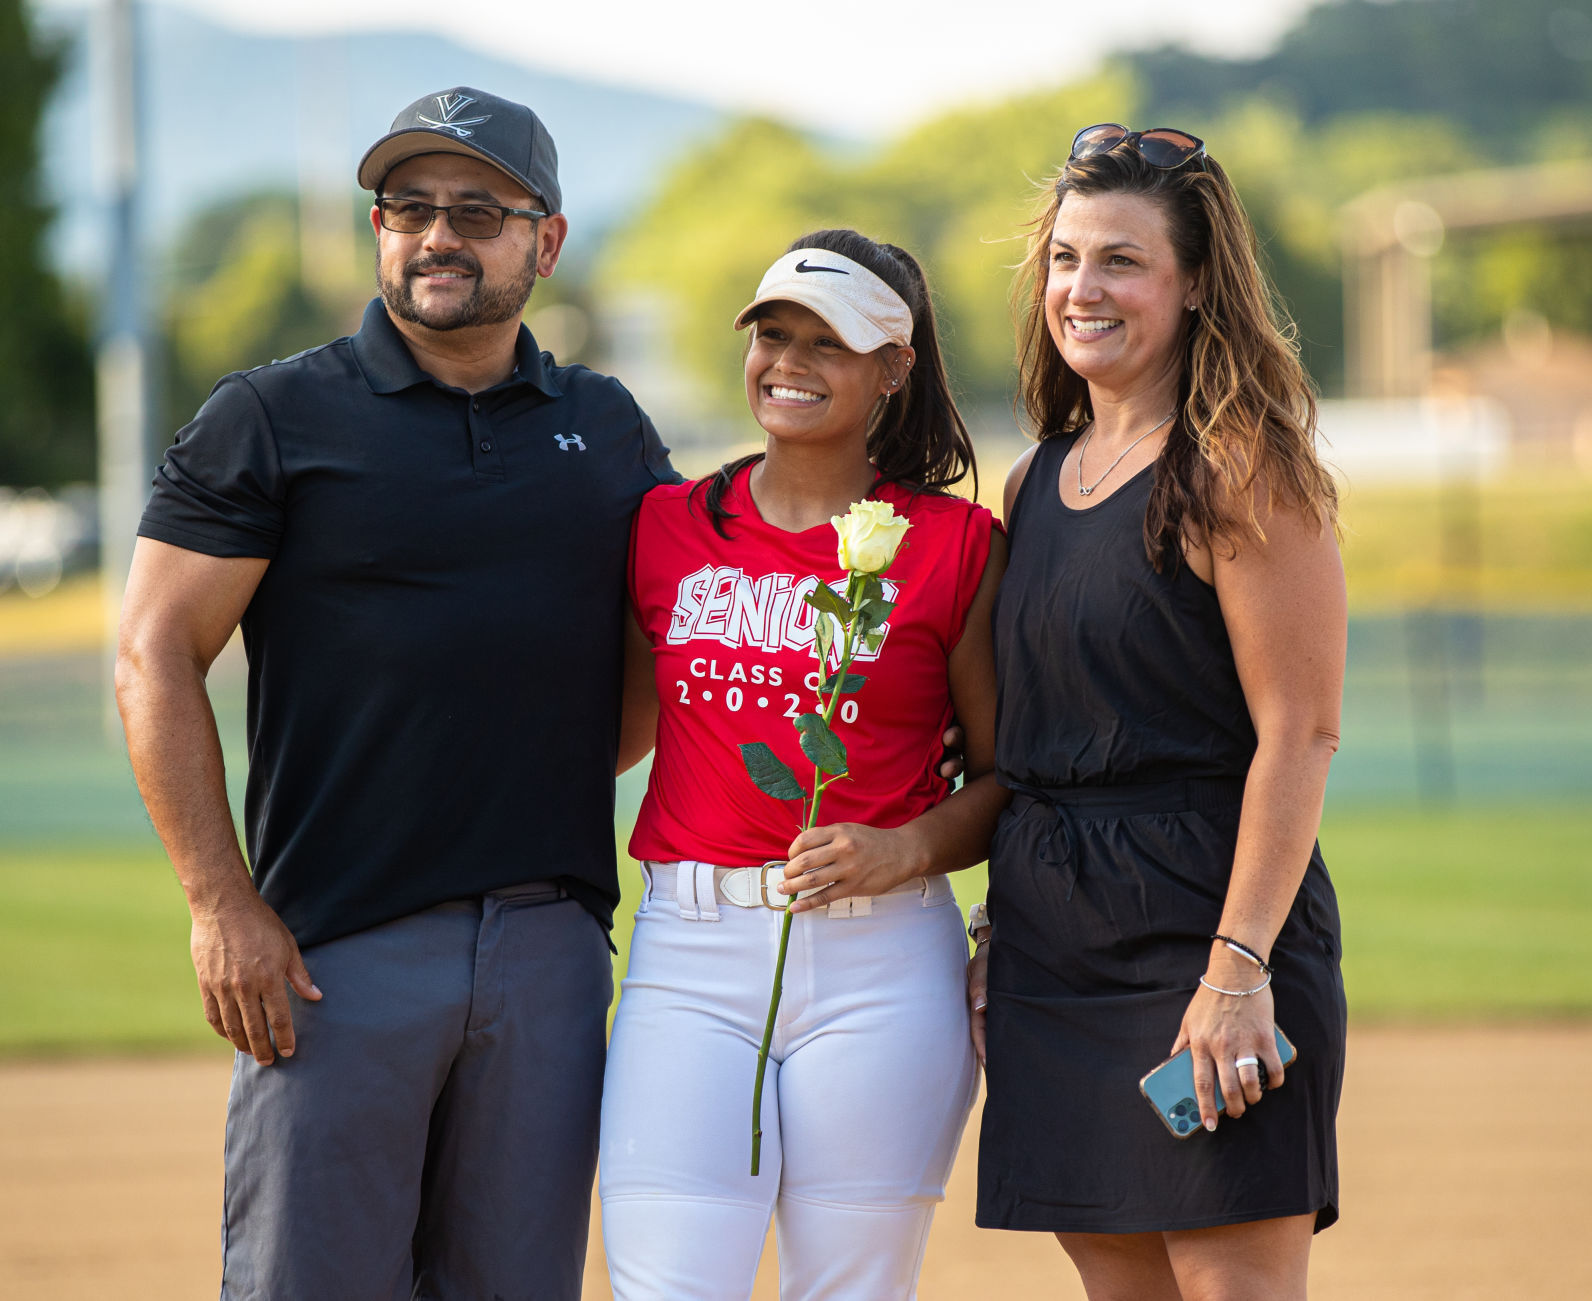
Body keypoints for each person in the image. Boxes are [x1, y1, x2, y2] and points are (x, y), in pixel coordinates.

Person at [114, 88, 678, 1299]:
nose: (437, 236)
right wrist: (222, 904)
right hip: (334, 952)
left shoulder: (607, 426)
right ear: (378, 228)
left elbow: (655, 650)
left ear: (547, 239)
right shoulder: (269, 416)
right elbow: (153, 652)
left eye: (478, 210)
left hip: (549, 945)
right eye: (408, 207)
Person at [966, 124, 1348, 1300]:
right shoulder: (1033, 477)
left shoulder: (1239, 466)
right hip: (1051, 938)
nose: (1083, 288)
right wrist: (997, 927)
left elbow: (1299, 732)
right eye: (1065, 258)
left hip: (1203, 931)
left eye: (1121, 261)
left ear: (1190, 286)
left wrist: (1236, 968)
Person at [599, 229, 1009, 1299]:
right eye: (773, 334)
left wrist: (906, 844)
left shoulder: (957, 543)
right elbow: (621, 733)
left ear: (893, 368)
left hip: (883, 969)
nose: (788, 361)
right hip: (687, 957)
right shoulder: (663, 525)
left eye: (827, 342)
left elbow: (1009, 780)